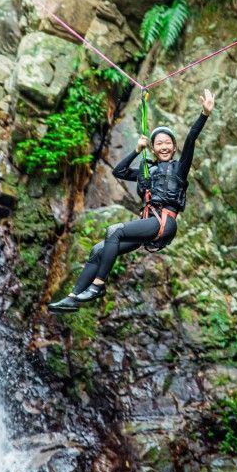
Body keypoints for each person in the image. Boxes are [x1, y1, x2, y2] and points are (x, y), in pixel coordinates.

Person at [48, 88, 216, 313]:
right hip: (148, 224)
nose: (164, 146)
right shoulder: (148, 171)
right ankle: (73, 298)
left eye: (168, 143)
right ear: (154, 149)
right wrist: (137, 150)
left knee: (114, 231)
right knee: (98, 250)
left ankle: (98, 285)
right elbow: (119, 171)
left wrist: (204, 113)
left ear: (174, 147)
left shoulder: (179, 168)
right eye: (159, 144)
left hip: (163, 222)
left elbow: (191, 138)